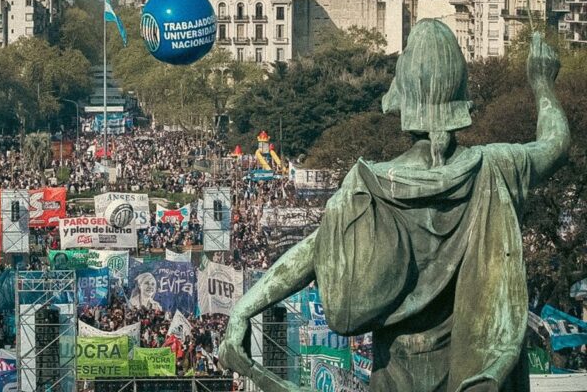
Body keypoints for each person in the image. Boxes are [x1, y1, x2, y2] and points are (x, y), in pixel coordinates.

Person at [219, 24, 571, 392]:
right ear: (462, 97)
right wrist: (542, 82)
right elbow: (556, 143)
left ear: (401, 96)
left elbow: (311, 254)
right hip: (473, 372)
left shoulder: (370, 185)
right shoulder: (495, 167)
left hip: (396, 375)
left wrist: (245, 307)